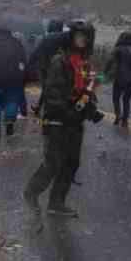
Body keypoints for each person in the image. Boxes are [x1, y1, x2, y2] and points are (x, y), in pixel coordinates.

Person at [23, 20, 104, 217]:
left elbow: (86, 91)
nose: (81, 40)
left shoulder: (86, 65)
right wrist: (67, 111)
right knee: (54, 162)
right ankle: (31, 192)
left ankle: (56, 202)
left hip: (75, 122)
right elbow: (52, 93)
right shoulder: (60, 61)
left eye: (85, 37)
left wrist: (90, 110)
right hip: (57, 121)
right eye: (78, 36)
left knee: (71, 162)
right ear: (71, 37)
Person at [104, 31, 131, 127]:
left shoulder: (118, 49)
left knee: (116, 97)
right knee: (126, 100)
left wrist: (104, 73)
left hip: (119, 78)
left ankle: (118, 116)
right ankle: (125, 121)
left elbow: (110, 61)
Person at [27, 20, 68, 116]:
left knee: (47, 89)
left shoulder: (47, 38)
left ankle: (45, 109)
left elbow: (37, 52)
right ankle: (40, 107)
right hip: (60, 69)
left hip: (45, 68)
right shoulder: (64, 39)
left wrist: (29, 63)